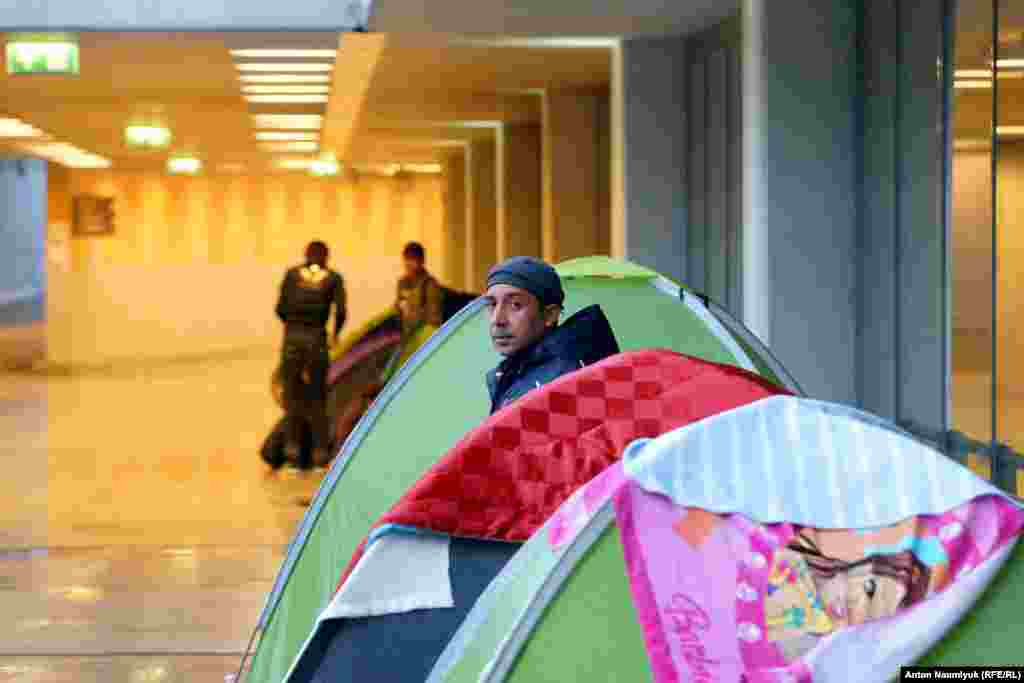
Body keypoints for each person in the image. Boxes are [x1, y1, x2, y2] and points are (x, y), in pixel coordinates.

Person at [484, 256, 620, 414]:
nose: (497, 319)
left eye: (516, 305)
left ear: (550, 315)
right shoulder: (517, 372)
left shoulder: (566, 379)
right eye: (492, 304)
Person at [274, 240, 347, 468]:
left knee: (292, 395)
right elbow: (342, 312)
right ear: (325, 257)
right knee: (317, 397)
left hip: (292, 339)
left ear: (306, 255)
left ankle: (292, 450)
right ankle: (319, 453)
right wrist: (334, 334)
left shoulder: (292, 275)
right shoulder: (333, 278)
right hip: (317, 339)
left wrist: (293, 327)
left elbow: (280, 309)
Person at [395, 242, 444, 334]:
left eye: (412, 259)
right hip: (405, 339)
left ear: (421, 261)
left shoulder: (430, 285)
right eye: (406, 259)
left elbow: (434, 320)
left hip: (422, 338)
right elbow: (398, 312)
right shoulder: (402, 283)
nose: (408, 264)